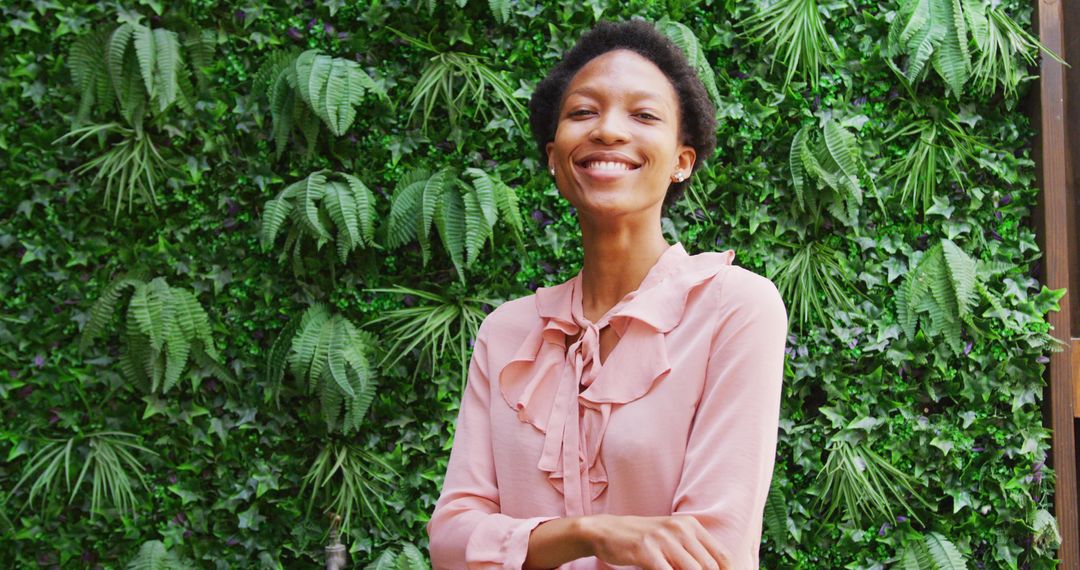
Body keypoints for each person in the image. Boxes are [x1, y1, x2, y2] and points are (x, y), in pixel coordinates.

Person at [427, 19, 787, 570]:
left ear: (681, 161)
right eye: (582, 112)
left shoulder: (735, 309)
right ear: (554, 155)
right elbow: (452, 539)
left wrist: (520, 546)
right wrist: (588, 534)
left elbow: (713, 549)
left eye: (643, 115)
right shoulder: (506, 333)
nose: (609, 131)